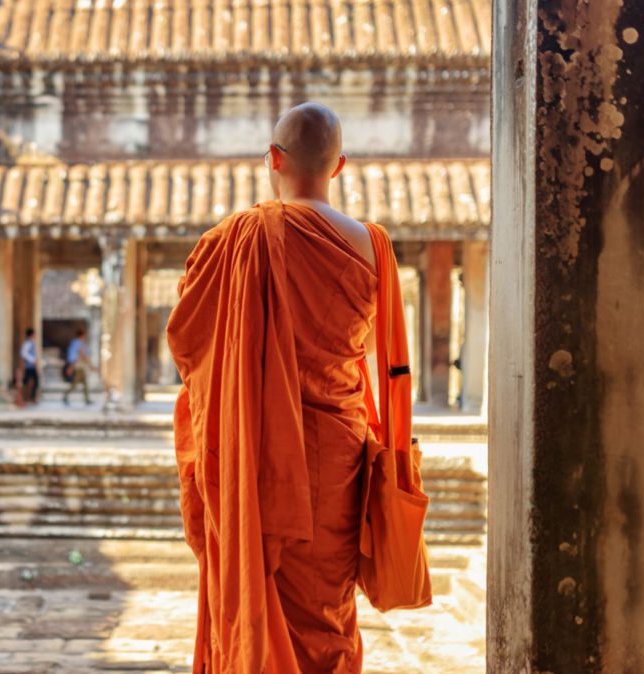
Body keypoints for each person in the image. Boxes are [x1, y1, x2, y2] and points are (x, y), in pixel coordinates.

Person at [166, 102, 413, 673]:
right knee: (327, 612)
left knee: (257, 598)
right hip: (336, 459)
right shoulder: (371, 246)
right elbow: (373, 352)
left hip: (252, 457)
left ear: (273, 159)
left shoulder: (237, 238)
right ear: (340, 166)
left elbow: (186, 337)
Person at [63, 326, 92, 406]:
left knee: (84, 383)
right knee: (75, 384)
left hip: (79, 366)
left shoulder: (75, 343)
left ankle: (87, 399)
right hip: (78, 367)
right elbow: (78, 356)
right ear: (82, 335)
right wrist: (71, 367)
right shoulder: (79, 344)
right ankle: (66, 396)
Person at [20, 327, 40, 404]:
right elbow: (23, 353)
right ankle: (26, 397)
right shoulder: (28, 343)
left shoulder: (32, 342)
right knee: (27, 381)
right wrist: (32, 360)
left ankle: (31, 397)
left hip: (32, 366)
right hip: (29, 366)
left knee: (35, 381)